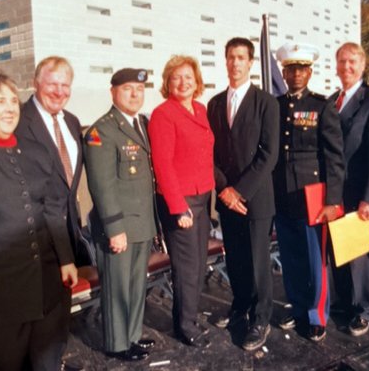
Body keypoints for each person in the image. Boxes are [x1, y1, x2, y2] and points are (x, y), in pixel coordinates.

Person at [0, 71, 78, 371]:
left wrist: (66, 258)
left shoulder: (37, 153)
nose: (11, 108)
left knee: (47, 361)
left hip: (48, 282)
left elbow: (53, 208)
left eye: (14, 100)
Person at [207, 37, 280, 351]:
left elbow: (269, 153)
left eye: (241, 57)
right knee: (235, 257)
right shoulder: (214, 104)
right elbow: (208, 153)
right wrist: (224, 190)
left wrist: (240, 190)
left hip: (256, 198)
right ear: (225, 61)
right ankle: (241, 305)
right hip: (226, 199)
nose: (235, 63)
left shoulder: (266, 102)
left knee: (258, 259)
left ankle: (261, 317)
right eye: (230, 57)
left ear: (250, 62)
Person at [273, 43, 345, 343]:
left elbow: (334, 156)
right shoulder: (274, 105)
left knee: (315, 259)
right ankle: (298, 306)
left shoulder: (321, 106)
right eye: (291, 69)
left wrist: (333, 201)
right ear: (284, 72)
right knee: (290, 256)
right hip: (283, 193)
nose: (296, 74)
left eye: (302, 68)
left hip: (312, 195)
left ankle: (317, 315)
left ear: (310, 71)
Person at [84, 69, 157, 362]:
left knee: (137, 284)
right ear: (113, 92)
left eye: (140, 89)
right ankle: (116, 344)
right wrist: (115, 229)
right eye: (128, 89)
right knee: (117, 287)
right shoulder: (102, 130)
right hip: (120, 227)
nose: (135, 94)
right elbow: (102, 185)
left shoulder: (140, 124)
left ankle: (132, 336)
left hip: (142, 223)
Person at [148, 55, 215, 348]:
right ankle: (184, 326)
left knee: (199, 263)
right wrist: (178, 207)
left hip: (203, 196)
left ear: (197, 82)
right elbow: (162, 164)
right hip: (181, 201)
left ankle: (187, 315)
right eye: (176, 77)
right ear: (167, 83)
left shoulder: (200, 110)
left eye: (188, 77)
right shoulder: (163, 114)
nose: (183, 82)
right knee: (186, 267)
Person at [328, 42, 369, 336]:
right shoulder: (331, 101)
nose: (346, 68)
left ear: (364, 65)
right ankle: (343, 300)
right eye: (342, 62)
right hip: (333, 194)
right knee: (337, 251)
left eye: (352, 62)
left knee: (360, 257)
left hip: (360, 194)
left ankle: (365, 308)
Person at [16, 56, 95, 267]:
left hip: (70, 230)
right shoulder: (18, 121)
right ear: (35, 83)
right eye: (52, 84)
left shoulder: (71, 121)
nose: (59, 92)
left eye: (65, 85)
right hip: (36, 236)